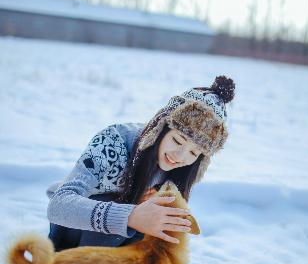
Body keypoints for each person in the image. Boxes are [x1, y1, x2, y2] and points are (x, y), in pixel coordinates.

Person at [46, 75, 235, 251]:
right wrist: (131, 215)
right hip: (71, 238)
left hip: (120, 249)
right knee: (113, 204)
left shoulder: (182, 171)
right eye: (177, 140)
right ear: (160, 128)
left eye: (194, 152)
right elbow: (58, 205)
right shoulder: (113, 141)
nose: (180, 156)